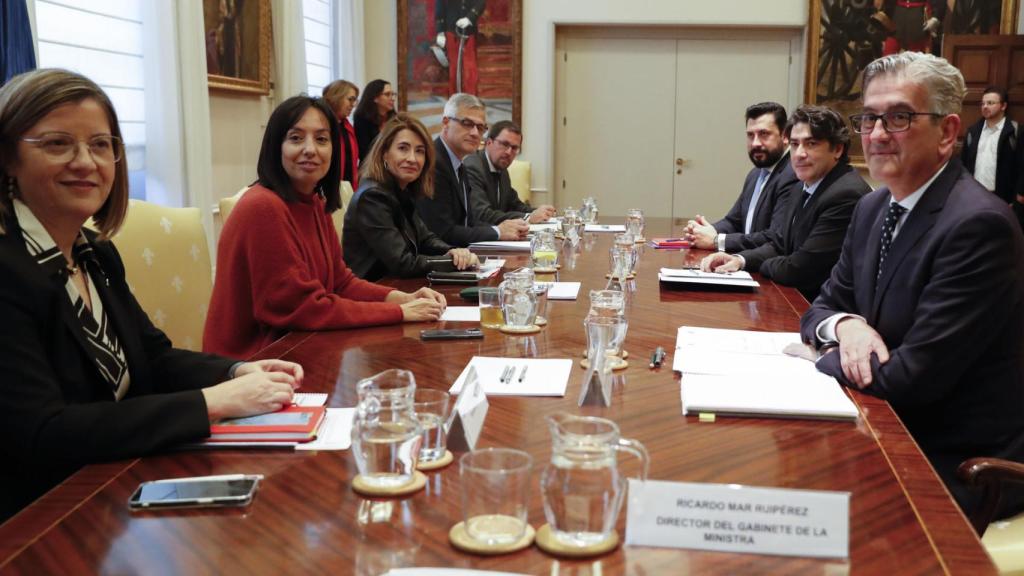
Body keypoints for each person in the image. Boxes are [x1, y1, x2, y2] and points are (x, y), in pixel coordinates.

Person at [0, 68, 304, 521]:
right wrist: (213, 402)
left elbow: (153, 357)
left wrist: (236, 369)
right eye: (58, 143)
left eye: (101, 145)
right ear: (8, 158)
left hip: (115, 485)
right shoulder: (8, 271)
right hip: (43, 518)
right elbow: (44, 433)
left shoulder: (96, 255)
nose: (86, 161)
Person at [800, 53, 1024, 520]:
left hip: (950, 461)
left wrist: (820, 355)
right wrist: (846, 329)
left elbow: (912, 379)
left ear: (946, 132)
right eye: (868, 118)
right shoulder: (873, 208)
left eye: (898, 117)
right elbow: (821, 307)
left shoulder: (978, 225)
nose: (877, 134)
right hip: (880, 425)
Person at [204, 96, 446, 358]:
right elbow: (302, 308)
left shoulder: (313, 203)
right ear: (276, 146)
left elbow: (341, 283)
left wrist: (403, 298)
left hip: (301, 345)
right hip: (256, 361)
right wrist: (398, 312)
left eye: (321, 139)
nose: (310, 149)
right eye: (296, 138)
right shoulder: (263, 206)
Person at [701, 105, 870, 301]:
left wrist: (764, 264)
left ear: (838, 149)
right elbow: (780, 244)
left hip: (826, 311)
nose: (799, 154)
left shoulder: (845, 194)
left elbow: (800, 269)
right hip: (795, 300)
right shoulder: (803, 185)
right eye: (795, 144)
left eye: (811, 144)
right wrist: (739, 260)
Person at [344, 114, 478, 281]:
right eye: (403, 148)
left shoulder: (401, 190)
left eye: (419, 151)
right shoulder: (372, 197)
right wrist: (452, 262)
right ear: (384, 153)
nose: (412, 159)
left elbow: (425, 238)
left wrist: (455, 252)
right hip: (373, 292)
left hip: (396, 287)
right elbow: (403, 263)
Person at [686, 102, 799, 253]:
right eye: (750, 135)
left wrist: (717, 240)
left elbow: (774, 237)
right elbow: (734, 221)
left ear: (785, 136)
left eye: (764, 134)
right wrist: (704, 231)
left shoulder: (792, 174)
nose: (756, 143)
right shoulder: (755, 174)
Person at [416, 93, 528, 246]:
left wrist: (502, 229)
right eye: (467, 123)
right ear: (446, 122)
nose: (475, 133)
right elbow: (442, 232)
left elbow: (469, 221)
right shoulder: (434, 163)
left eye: (481, 127)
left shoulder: (459, 163)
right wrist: (498, 232)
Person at [464, 120, 556, 225]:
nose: (508, 152)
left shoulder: (502, 169)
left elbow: (515, 205)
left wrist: (539, 212)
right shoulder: (472, 167)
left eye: (514, 148)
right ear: (489, 142)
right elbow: (482, 214)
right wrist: (527, 217)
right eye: (504, 144)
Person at [960, 85, 1020, 205]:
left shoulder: (1015, 132)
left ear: (1003, 106)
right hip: (973, 195)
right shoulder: (973, 131)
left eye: (990, 103)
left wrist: (1017, 197)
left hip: (1003, 199)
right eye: (983, 103)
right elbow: (963, 163)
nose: (985, 107)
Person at [434, 0, 487, 95]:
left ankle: (471, 100)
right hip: (450, 29)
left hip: (469, 30)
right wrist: (440, 32)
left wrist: (469, 18)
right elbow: (439, 7)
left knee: (470, 68)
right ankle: (454, 101)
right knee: (453, 68)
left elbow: (481, 2)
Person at [322, 79, 360, 188]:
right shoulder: (322, 125)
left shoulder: (348, 127)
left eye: (355, 100)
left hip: (346, 188)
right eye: (350, 99)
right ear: (336, 97)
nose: (353, 105)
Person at [353, 79, 395, 163]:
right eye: (387, 94)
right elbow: (363, 153)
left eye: (393, 94)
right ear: (375, 98)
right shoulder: (362, 119)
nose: (392, 98)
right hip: (370, 168)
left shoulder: (396, 119)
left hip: (392, 166)